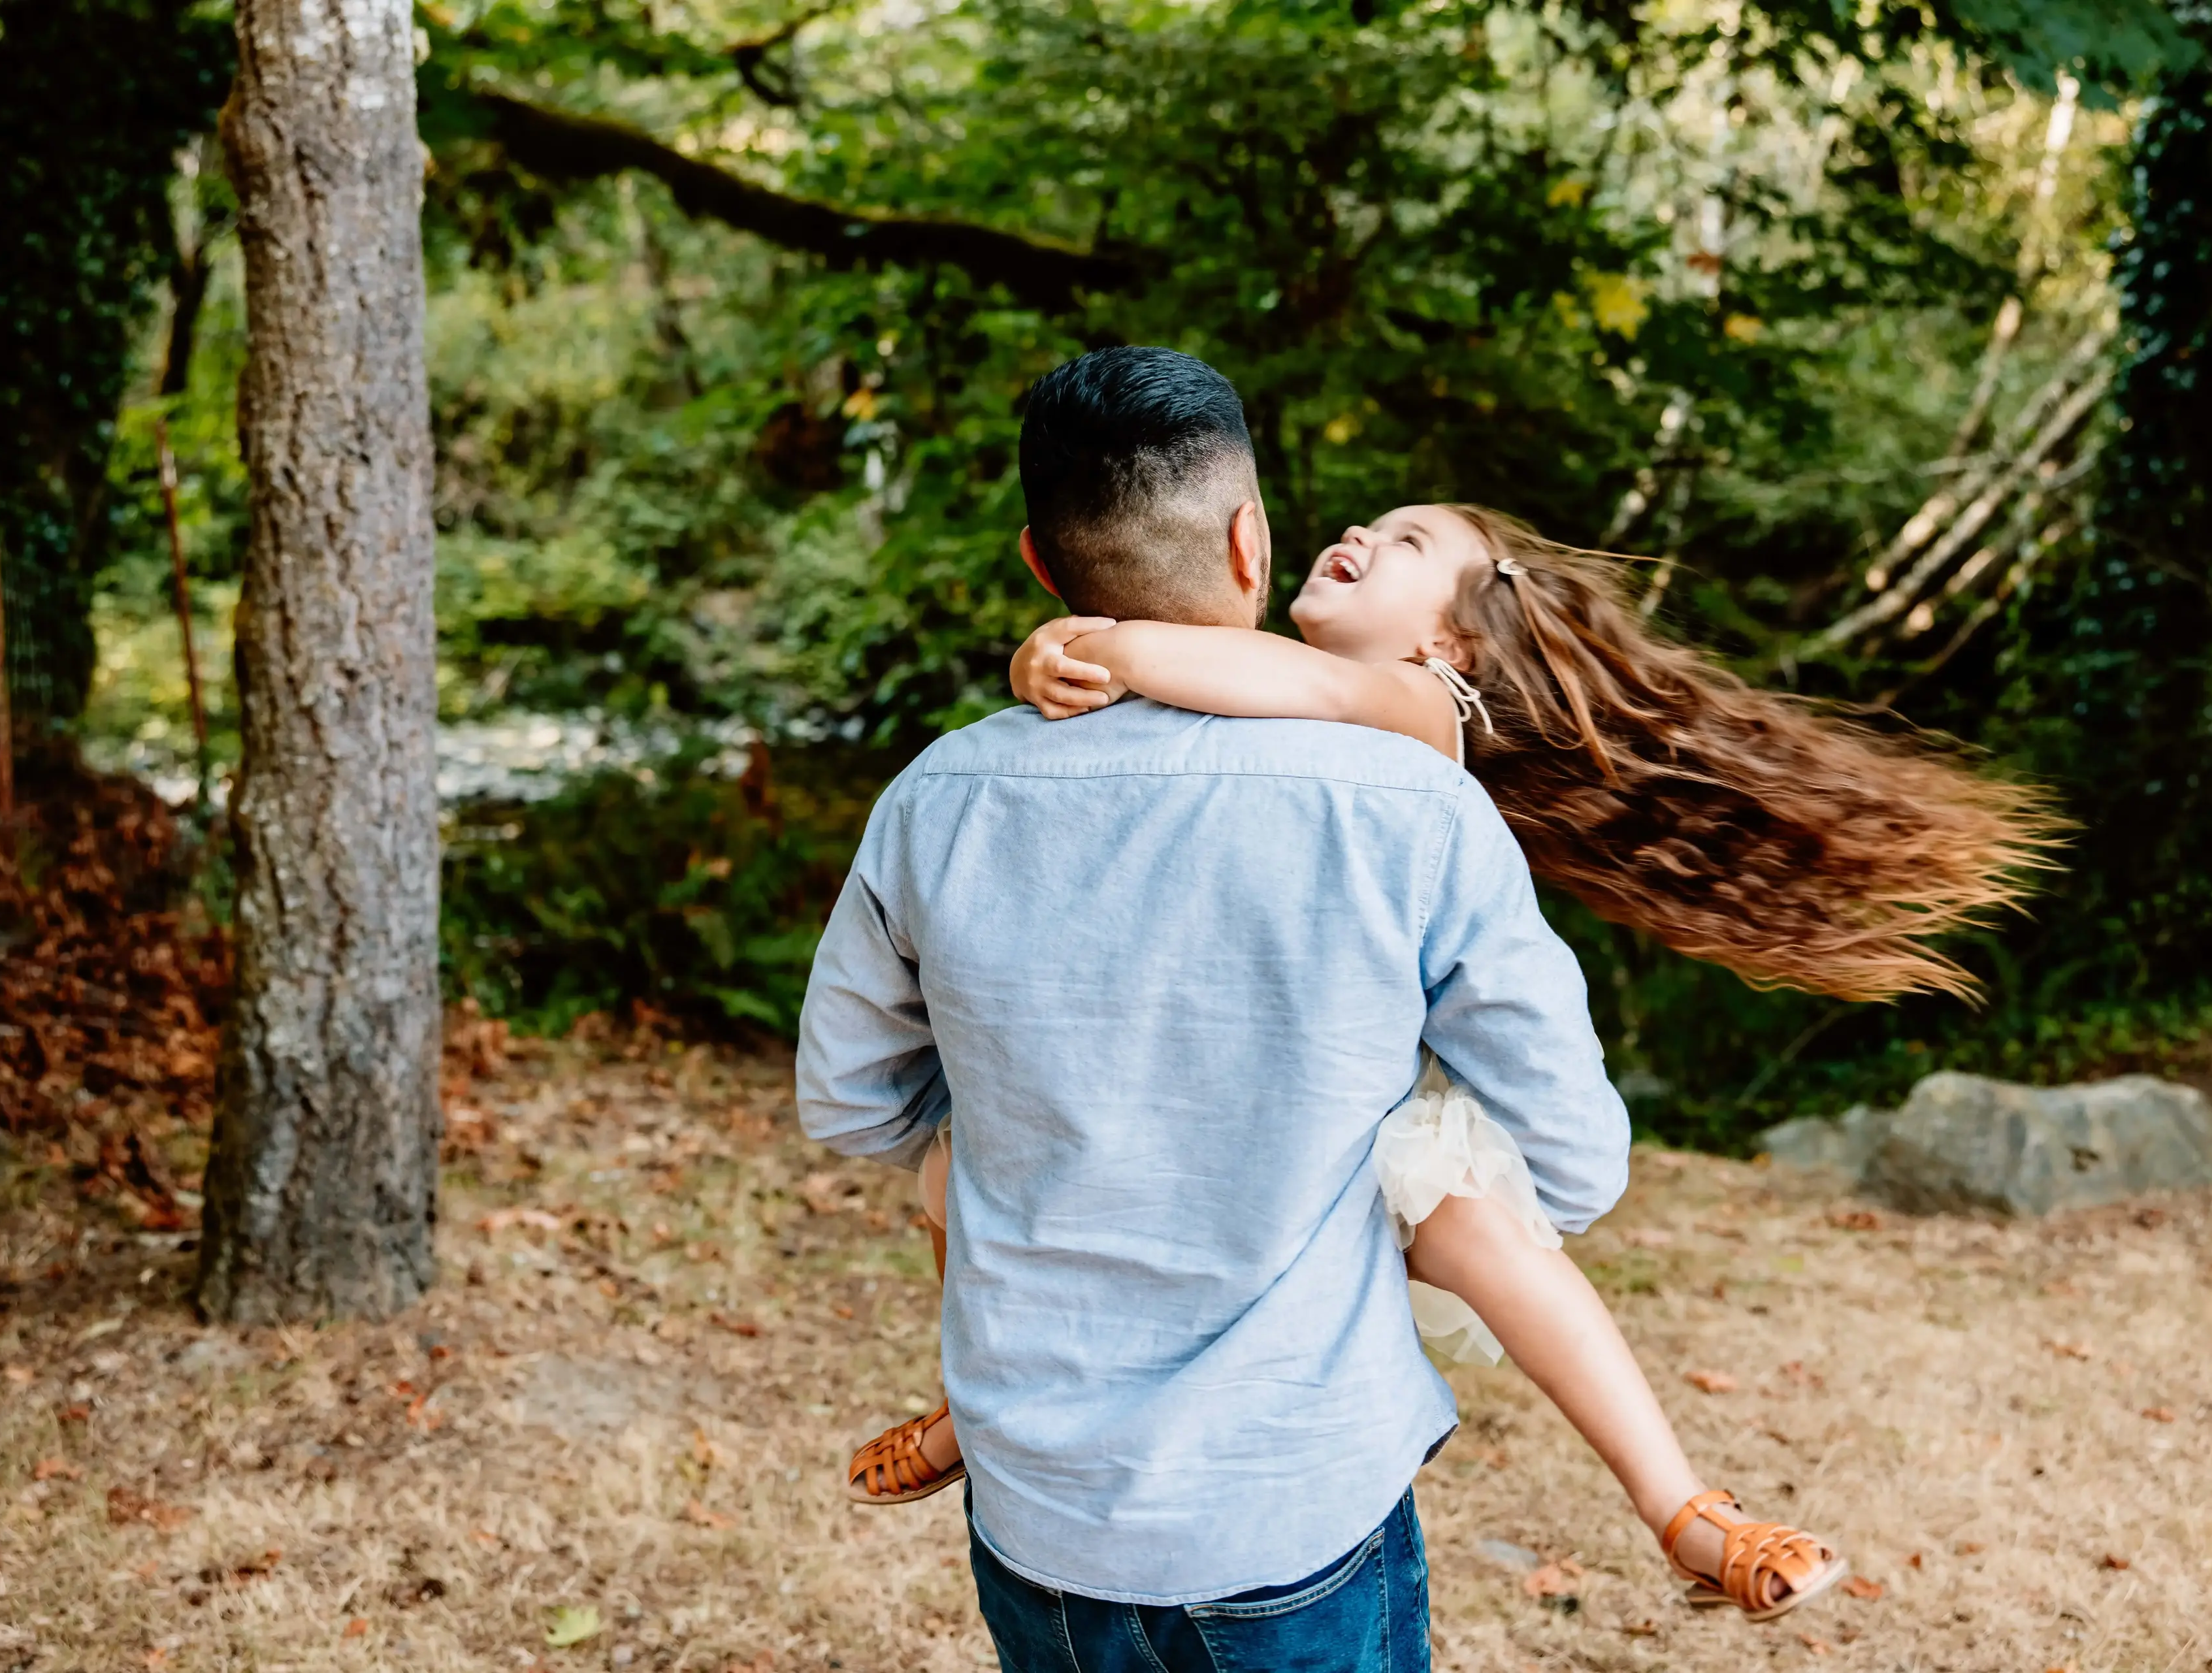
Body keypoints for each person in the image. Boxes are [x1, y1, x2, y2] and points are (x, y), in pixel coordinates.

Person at [830, 413, 2055, 1634]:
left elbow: (1281, 679)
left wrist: (1078, 645)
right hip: (1306, 1233)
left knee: (1464, 1222)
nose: (1365, 529)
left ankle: (1682, 1505)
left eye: (1410, 541)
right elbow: (1256, 684)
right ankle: (963, 1403)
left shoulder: (1419, 705)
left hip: (1388, 1123)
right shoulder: (1352, 741)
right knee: (959, 1162)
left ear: (1455, 637)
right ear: (1249, 543)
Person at [798, 346, 1633, 1671]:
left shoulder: (938, 798)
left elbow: (851, 1107)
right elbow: (1576, 1167)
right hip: (1289, 1489)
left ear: (1038, 561)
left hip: (1043, 1506)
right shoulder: (1409, 809)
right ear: (1251, 538)